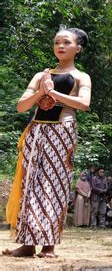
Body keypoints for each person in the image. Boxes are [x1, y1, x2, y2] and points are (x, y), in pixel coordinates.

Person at [3, 27, 91, 258]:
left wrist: (53, 94)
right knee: (29, 183)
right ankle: (27, 243)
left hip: (62, 132)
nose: (60, 46)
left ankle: (49, 244)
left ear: (78, 48)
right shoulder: (41, 75)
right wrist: (40, 91)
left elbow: (84, 104)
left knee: (54, 184)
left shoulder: (82, 76)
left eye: (66, 42)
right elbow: (22, 106)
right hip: (36, 132)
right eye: (56, 42)